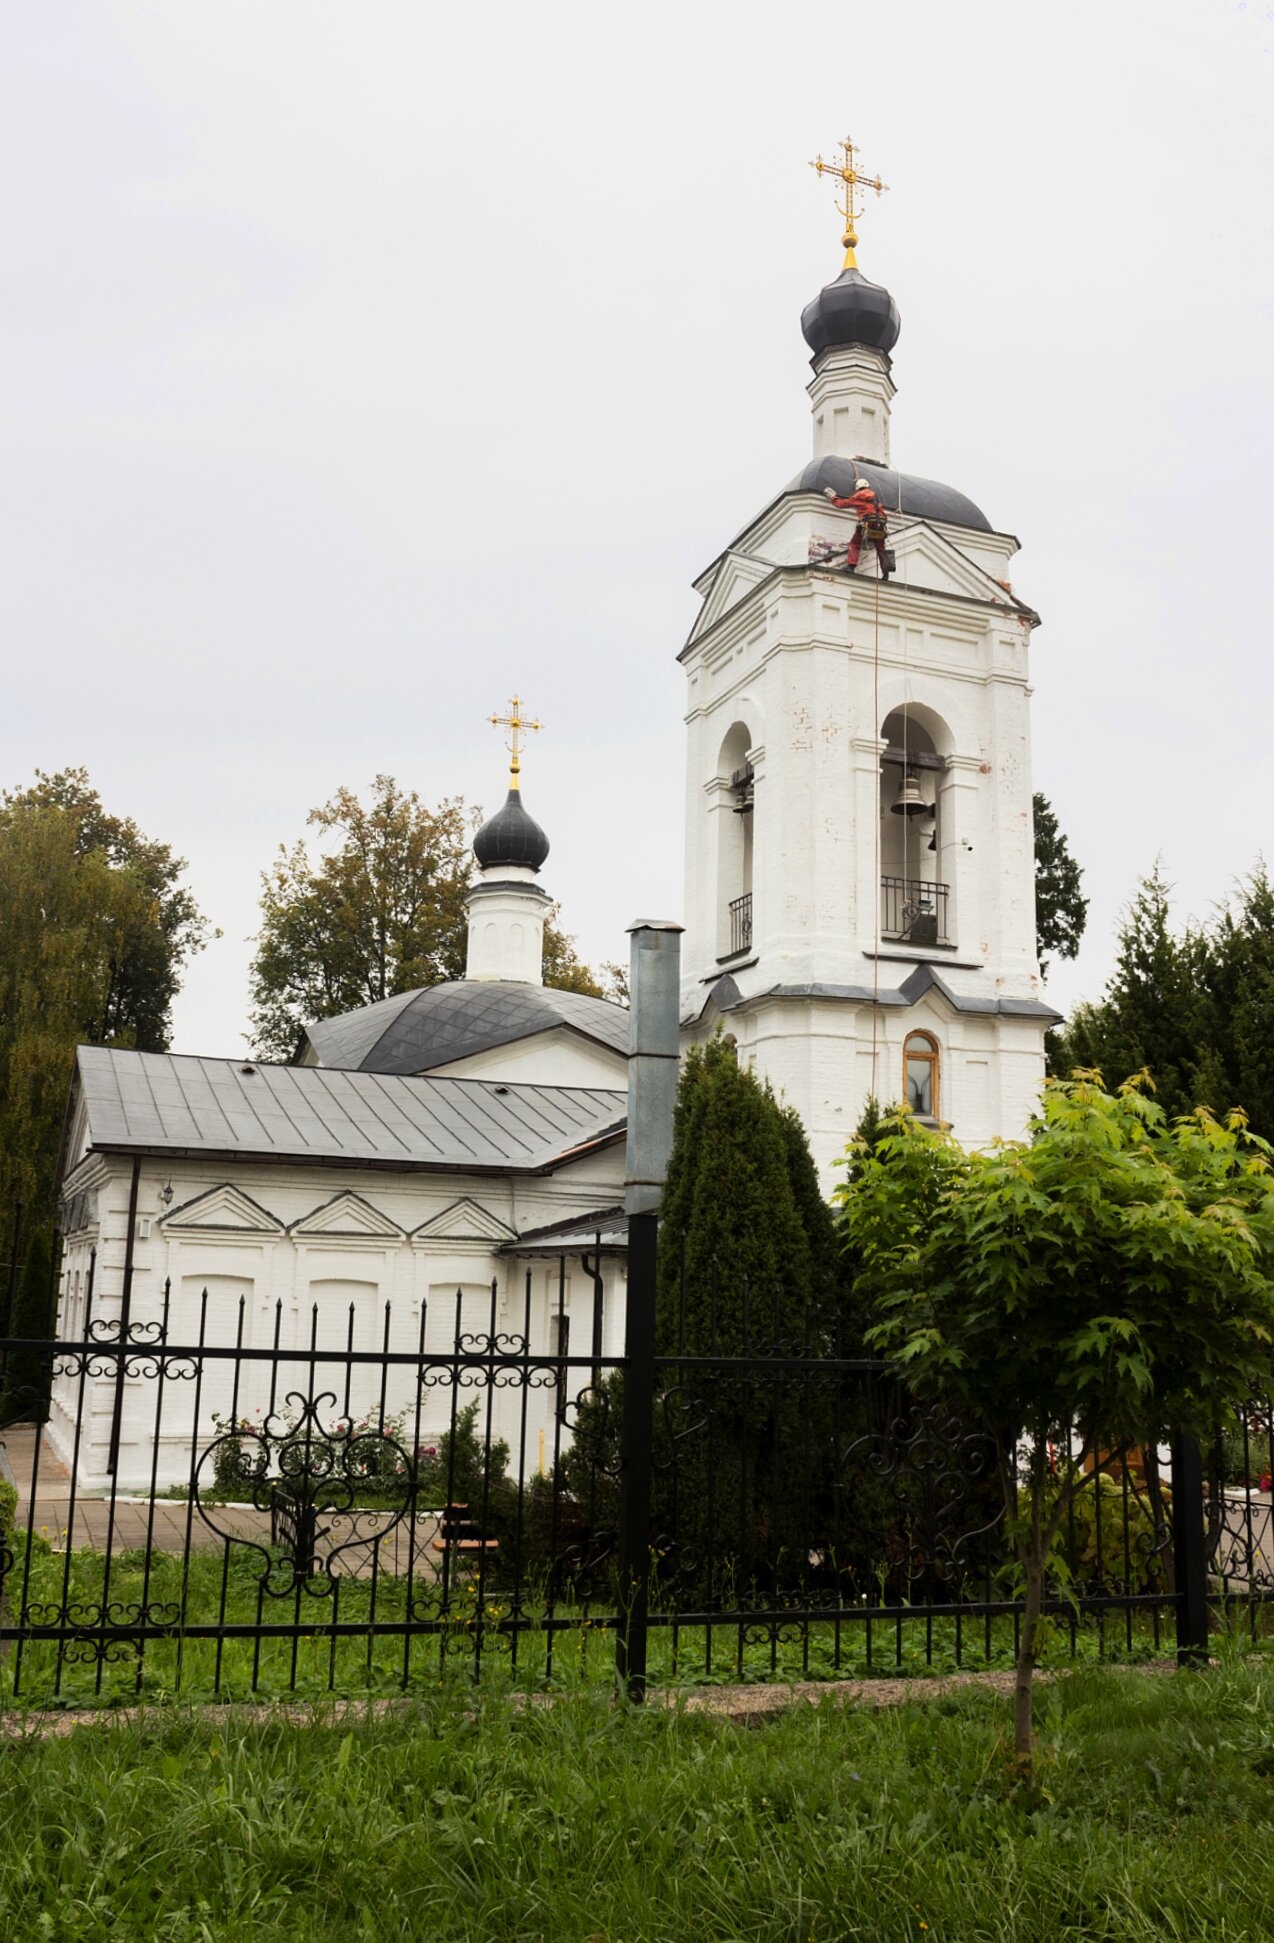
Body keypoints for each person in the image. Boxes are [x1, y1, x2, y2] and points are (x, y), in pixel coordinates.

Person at [823, 477, 891, 577]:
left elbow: (842, 504)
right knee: (881, 548)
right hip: (880, 524)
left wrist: (833, 498)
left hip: (867, 523)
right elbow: (882, 512)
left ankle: (851, 566)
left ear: (858, 488)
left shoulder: (858, 495)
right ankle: (886, 573)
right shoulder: (875, 497)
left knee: (855, 544)